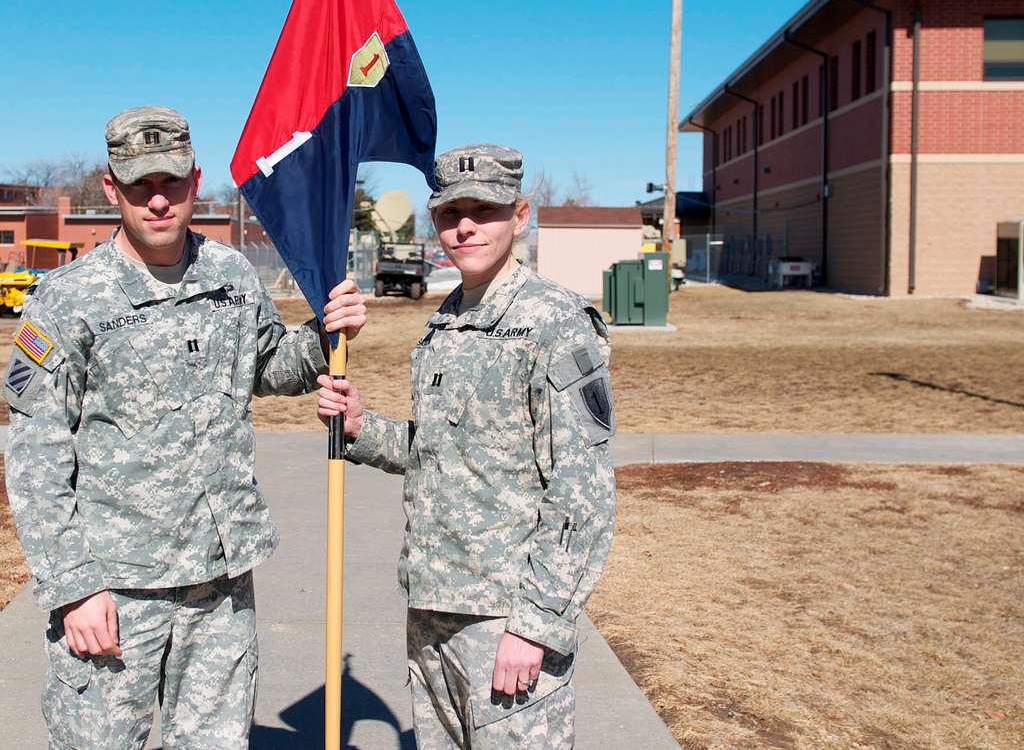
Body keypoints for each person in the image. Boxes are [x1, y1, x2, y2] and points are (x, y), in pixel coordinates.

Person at [2, 105, 366, 750]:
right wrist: (72, 586)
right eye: (140, 185)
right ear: (112, 187)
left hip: (220, 585)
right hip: (115, 587)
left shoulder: (229, 275)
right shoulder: (67, 299)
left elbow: (266, 367)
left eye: (170, 182)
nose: (158, 200)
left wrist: (324, 334)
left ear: (195, 180)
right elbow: (36, 458)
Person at [318, 144, 616, 749]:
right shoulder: (446, 321)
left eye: (485, 209)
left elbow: (582, 494)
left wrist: (536, 625)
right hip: (433, 607)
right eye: (452, 213)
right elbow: (443, 453)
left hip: (505, 618)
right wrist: (359, 427)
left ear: (520, 215)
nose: (466, 226)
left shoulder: (555, 321)